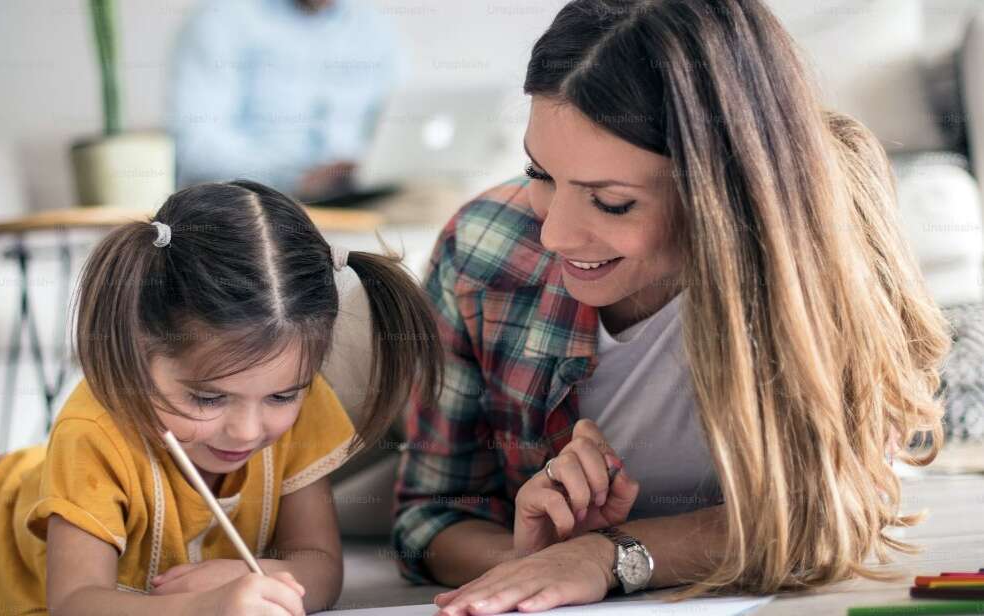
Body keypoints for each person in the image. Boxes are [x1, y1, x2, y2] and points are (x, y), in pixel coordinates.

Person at [392, 1, 951, 614]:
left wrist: (608, 555)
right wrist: (533, 561)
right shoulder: (486, 249)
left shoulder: (822, 246)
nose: (553, 234)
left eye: (610, 202)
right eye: (540, 172)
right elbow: (432, 515)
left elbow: (831, 513)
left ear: (718, 187)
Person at [0, 180, 440, 615]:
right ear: (137, 352)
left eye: (282, 394)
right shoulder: (92, 434)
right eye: (208, 399)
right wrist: (206, 606)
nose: (246, 430)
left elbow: (321, 567)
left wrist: (253, 575)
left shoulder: (307, 408)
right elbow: (77, 601)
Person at [168, 0, 403, 199]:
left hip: (358, 203)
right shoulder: (221, 18)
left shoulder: (373, 27)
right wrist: (295, 179)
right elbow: (194, 149)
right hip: (255, 210)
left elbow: (391, 127)